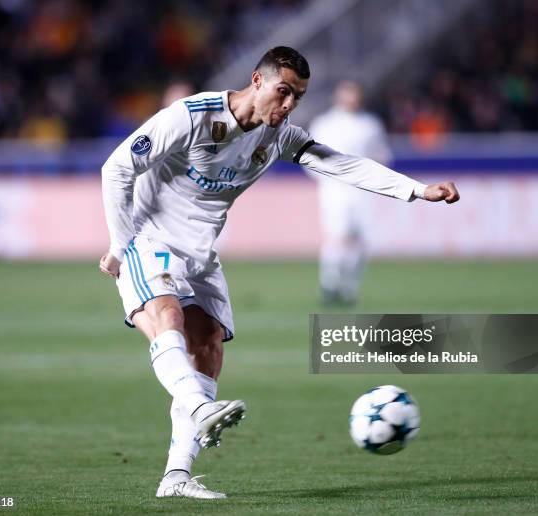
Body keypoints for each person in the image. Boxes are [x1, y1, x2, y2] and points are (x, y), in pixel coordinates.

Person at [99, 46, 459, 500]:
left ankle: (176, 476)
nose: (288, 105)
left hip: (201, 253)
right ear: (257, 81)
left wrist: (418, 190)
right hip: (147, 239)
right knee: (166, 318)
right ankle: (197, 406)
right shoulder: (191, 116)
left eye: (298, 98)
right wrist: (119, 243)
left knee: (208, 346)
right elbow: (117, 167)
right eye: (283, 92)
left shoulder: (280, 136)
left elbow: (342, 164)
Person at [309, 80, 393, 305]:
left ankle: (349, 288)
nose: (351, 99)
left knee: (361, 239)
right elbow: (310, 158)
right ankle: (329, 283)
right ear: (338, 96)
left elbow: (381, 155)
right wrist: (325, 179)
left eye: (354, 94)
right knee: (336, 236)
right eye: (347, 94)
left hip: (362, 190)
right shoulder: (324, 124)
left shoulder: (369, 125)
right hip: (334, 189)